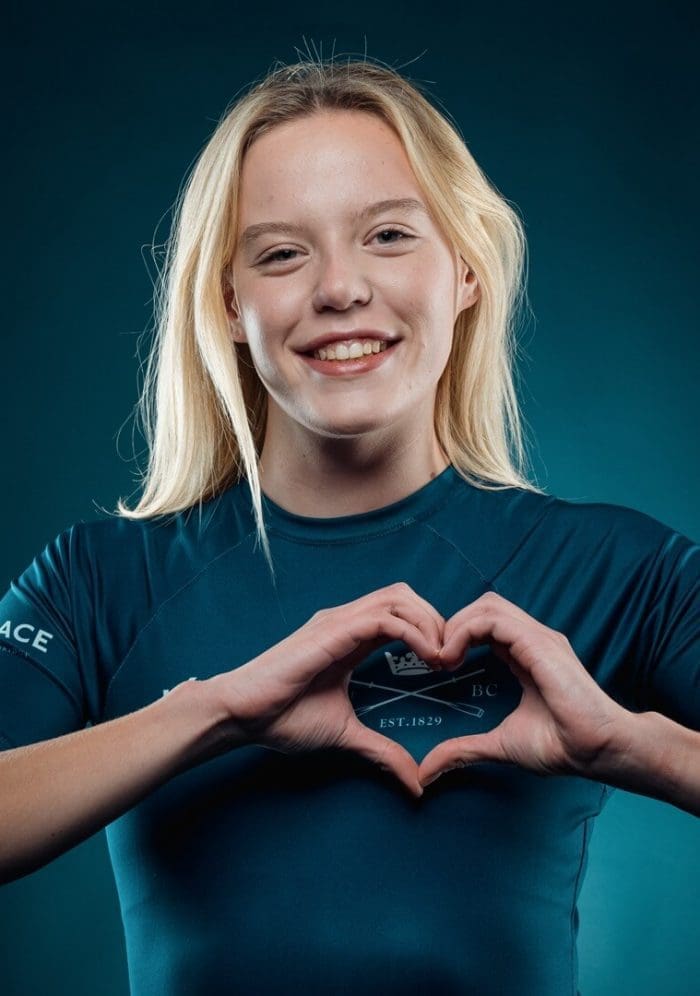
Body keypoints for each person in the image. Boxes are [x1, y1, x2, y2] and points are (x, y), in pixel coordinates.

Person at [0, 54, 698, 996]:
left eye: (388, 236)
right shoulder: (98, 580)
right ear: (230, 305)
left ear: (465, 270)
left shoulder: (624, 570)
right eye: (283, 253)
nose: (341, 289)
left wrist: (630, 746)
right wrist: (214, 713)